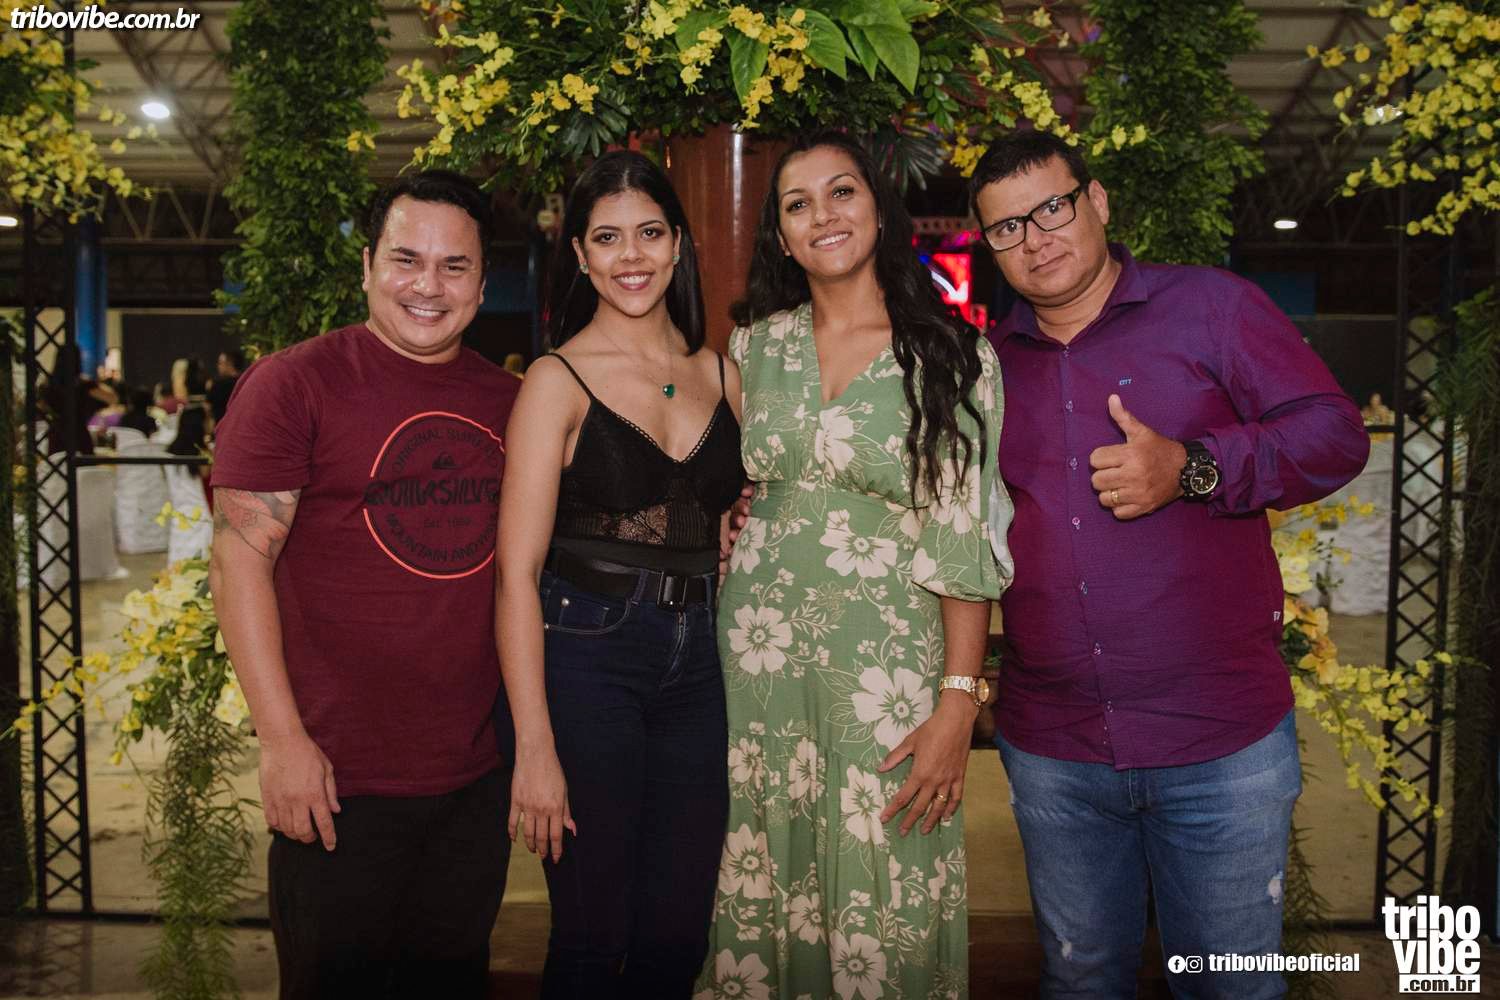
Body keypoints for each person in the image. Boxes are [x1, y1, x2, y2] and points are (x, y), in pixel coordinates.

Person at [967, 130, 1369, 998]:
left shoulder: (1211, 308)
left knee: (1229, 985)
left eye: (1051, 208)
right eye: (1007, 228)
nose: (1035, 239)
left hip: (1217, 742)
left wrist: (1193, 466)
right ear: (991, 248)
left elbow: (1335, 435)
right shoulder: (987, 369)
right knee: (1080, 981)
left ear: (1097, 200)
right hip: (1055, 747)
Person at [697, 130, 1011, 999]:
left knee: (887, 876)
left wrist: (959, 702)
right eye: (798, 204)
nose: (823, 215)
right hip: (755, 670)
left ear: (879, 209)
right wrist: (722, 512)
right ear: (781, 234)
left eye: (842, 192)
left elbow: (964, 541)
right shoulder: (752, 350)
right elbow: (718, 476)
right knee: (757, 871)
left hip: (886, 675)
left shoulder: (951, 356)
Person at [208, 170, 521, 1000]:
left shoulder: (514, 402)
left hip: (474, 776)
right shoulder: (295, 384)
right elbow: (239, 561)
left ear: (483, 284)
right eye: (406, 259)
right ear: (368, 267)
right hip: (335, 779)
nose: (428, 286)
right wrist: (281, 743)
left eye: (454, 266)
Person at [496, 150, 743, 999]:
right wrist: (534, 748)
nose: (630, 256)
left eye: (649, 233)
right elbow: (515, 574)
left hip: (699, 663)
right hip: (587, 655)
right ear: (579, 255)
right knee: (593, 937)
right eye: (607, 238)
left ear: (678, 244)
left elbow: (733, 512)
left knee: (677, 938)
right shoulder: (554, 380)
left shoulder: (722, 373)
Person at [206, 347, 246, 423]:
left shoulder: (217, 385)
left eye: (220, 363)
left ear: (230, 364)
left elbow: (208, 408)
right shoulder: (246, 382)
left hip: (222, 426)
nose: (218, 366)